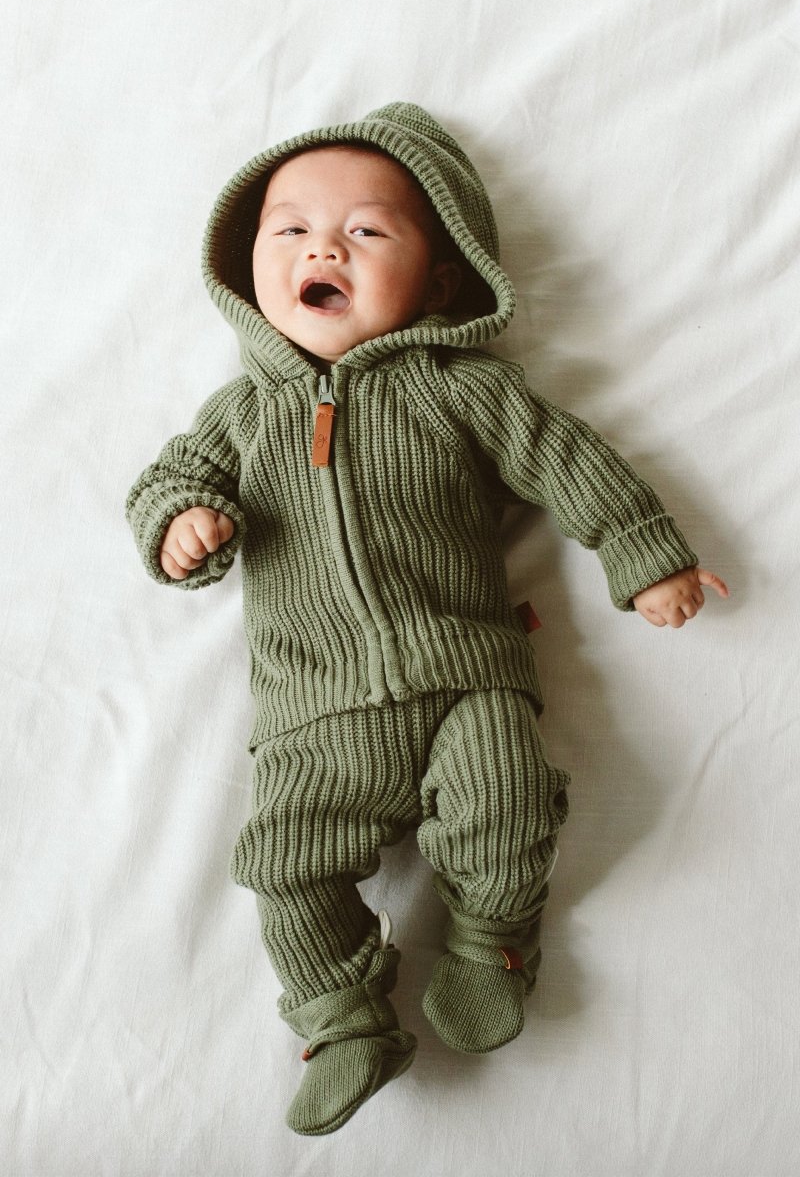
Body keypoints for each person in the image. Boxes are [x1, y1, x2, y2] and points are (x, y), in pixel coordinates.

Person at [126, 102, 728, 1135]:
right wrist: (181, 525)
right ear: (245, 270)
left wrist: (642, 552)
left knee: (507, 800)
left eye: (365, 231)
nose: (323, 248)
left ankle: (491, 938)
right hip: (312, 715)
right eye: (291, 229)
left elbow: (564, 457)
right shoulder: (239, 415)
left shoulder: (461, 389)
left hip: (465, 679)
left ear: (441, 283)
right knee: (283, 869)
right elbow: (167, 482)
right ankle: (341, 1019)